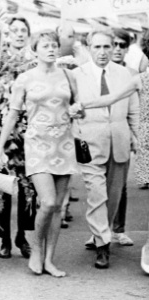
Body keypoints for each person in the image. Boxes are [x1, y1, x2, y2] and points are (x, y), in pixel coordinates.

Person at [0, 30, 80, 277]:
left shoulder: (69, 76)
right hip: (37, 144)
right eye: (45, 46)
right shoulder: (24, 79)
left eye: (54, 45)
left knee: (58, 208)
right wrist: (0, 147)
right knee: (48, 202)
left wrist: (78, 111)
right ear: (35, 50)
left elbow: (78, 105)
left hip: (64, 143)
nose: (52, 49)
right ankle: (36, 251)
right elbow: (12, 113)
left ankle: (50, 259)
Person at [72, 30, 139, 269]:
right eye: (97, 47)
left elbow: (133, 110)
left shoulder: (127, 75)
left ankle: (103, 231)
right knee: (97, 194)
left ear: (114, 49)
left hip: (119, 140)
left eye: (107, 47)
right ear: (89, 47)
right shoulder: (75, 75)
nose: (102, 52)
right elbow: (69, 108)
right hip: (88, 143)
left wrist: (136, 136)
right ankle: (103, 246)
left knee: (114, 196)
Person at [0, 16, 36, 260]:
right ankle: (5, 239)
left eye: (24, 30)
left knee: (29, 189)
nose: (19, 34)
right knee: (4, 188)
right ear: (8, 34)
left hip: (31, 134)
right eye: (15, 30)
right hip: (4, 133)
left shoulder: (35, 64)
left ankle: (22, 235)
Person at [109, 28, 137, 247]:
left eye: (122, 45)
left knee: (121, 186)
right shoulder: (99, 71)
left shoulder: (132, 74)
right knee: (98, 185)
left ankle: (119, 230)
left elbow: (135, 109)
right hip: (98, 138)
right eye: (114, 44)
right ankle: (99, 231)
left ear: (127, 49)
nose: (117, 49)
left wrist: (136, 136)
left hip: (121, 135)